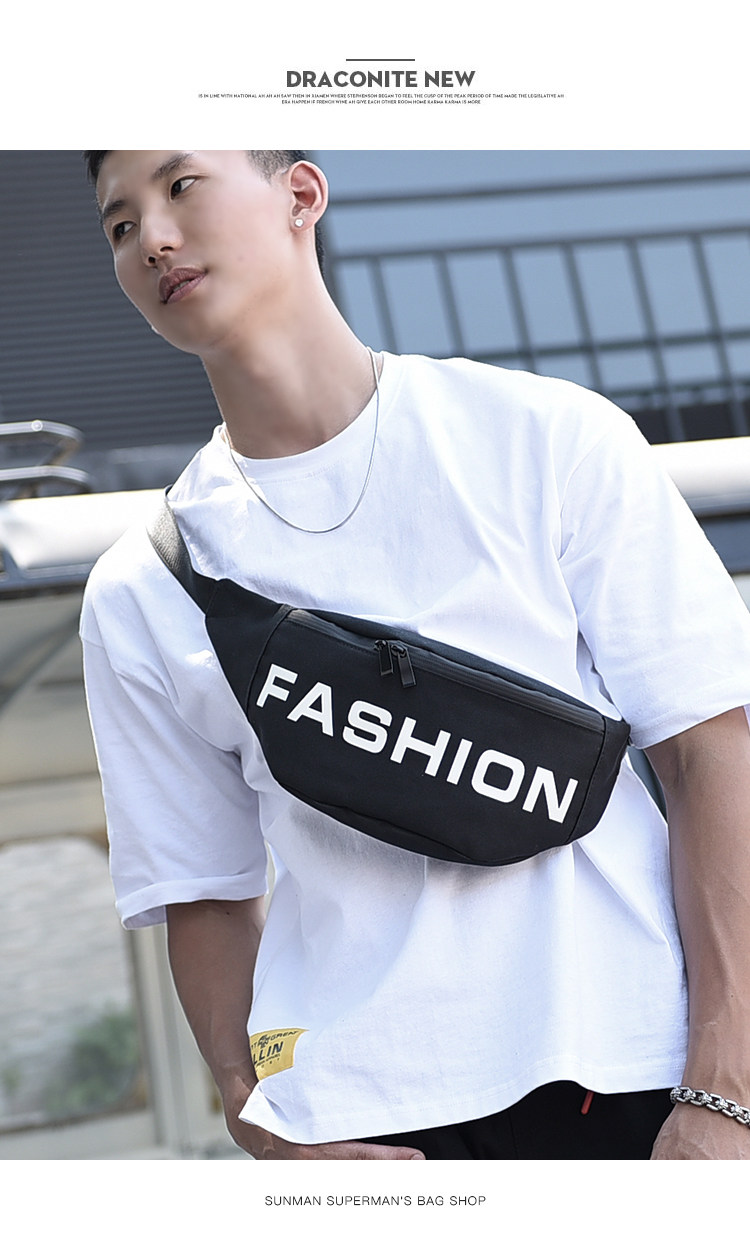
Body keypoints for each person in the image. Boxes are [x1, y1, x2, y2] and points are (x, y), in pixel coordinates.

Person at [80, 149, 750, 1160]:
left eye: (180, 187)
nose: (153, 240)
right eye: (120, 224)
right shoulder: (145, 588)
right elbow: (204, 891)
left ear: (301, 194)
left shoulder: (541, 438)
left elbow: (709, 756)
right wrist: (263, 1124)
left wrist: (725, 1089)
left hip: (628, 1073)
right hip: (364, 1120)